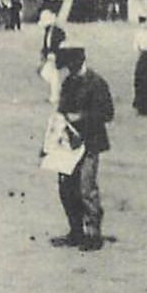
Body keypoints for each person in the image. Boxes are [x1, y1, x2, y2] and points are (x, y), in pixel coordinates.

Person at [53, 43, 114, 251]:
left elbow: (108, 113)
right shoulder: (68, 82)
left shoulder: (96, 83)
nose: (68, 69)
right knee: (66, 188)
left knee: (86, 188)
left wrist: (81, 117)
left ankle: (93, 234)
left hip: (90, 142)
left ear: (79, 60)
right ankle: (75, 231)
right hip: (69, 144)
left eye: (70, 64)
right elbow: (61, 111)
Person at [38, 14, 67, 106]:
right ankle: (55, 95)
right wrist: (44, 53)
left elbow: (61, 42)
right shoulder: (48, 31)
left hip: (55, 56)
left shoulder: (58, 31)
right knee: (47, 74)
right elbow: (46, 44)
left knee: (51, 75)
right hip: (50, 56)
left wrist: (55, 52)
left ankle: (54, 96)